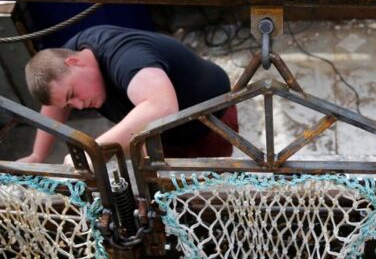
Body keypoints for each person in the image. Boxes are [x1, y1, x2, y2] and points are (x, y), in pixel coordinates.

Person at [19, 25, 238, 164]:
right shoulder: (67, 61)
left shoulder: (126, 59)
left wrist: (90, 152)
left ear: (75, 63)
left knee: (206, 192)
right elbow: (55, 102)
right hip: (159, 135)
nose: (78, 105)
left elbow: (161, 106)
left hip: (207, 124)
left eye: (73, 94)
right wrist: (37, 155)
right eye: (70, 103)